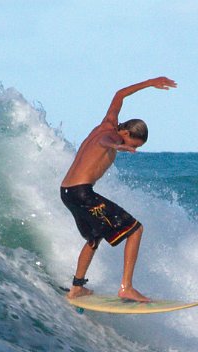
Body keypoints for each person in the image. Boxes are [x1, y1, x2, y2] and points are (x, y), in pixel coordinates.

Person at [60, 76, 177, 302]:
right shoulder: (111, 135)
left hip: (67, 192)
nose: (131, 149)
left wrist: (151, 82)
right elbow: (104, 142)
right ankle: (126, 287)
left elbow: (119, 94)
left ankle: (77, 288)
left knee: (94, 237)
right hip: (82, 193)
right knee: (135, 230)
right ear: (127, 134)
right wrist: (117, 146)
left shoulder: (109, 121)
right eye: (133, 144)